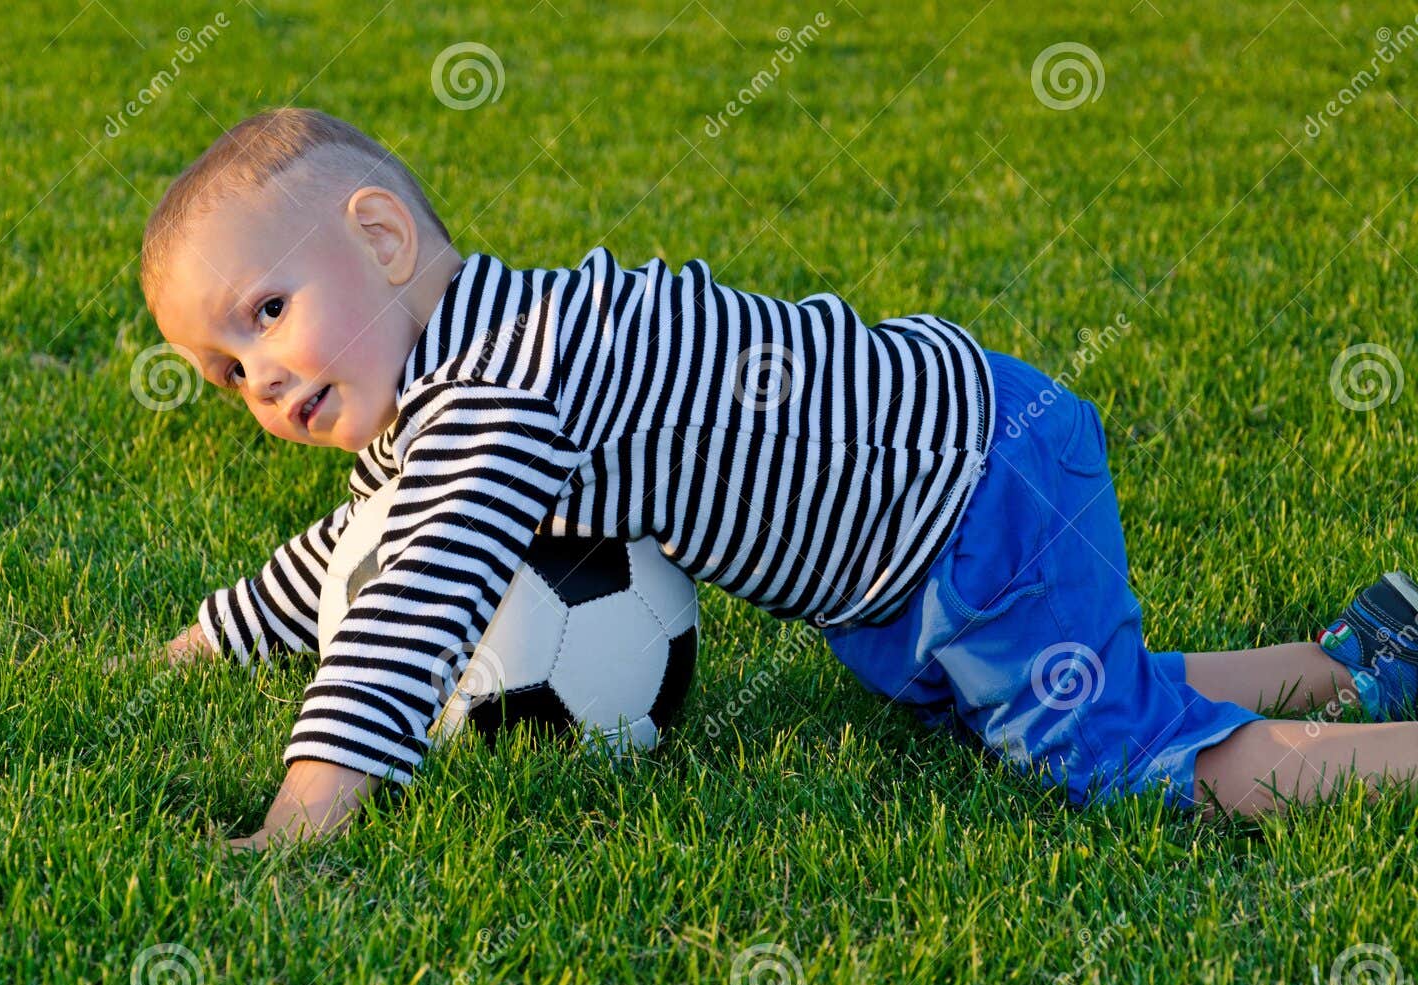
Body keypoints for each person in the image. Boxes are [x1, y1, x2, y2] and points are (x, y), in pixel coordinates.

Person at [130, 107, 1418, 849]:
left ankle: (1384, 755)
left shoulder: (496, 396)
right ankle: (1354, 655)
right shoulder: (470, 371)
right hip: (947, 477)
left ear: (381, 235)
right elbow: (359, 551)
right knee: (1030, 703)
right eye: (223, 369)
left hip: (966, 495)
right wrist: (210, 639)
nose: (259, 377)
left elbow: (410, 611)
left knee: (1106, 759)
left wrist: (307, 818)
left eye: (267, 311)